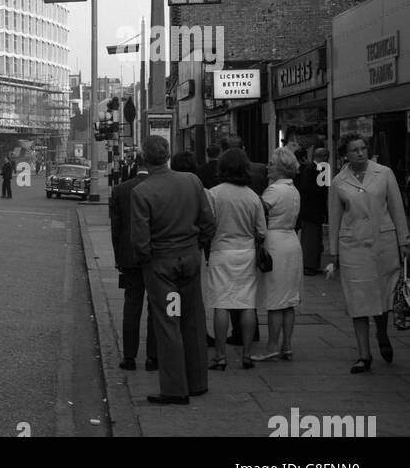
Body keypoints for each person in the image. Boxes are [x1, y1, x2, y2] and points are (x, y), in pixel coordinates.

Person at [129, 135, 214, 404]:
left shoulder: (142, 192)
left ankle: (175, 389)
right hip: (189, 258)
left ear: (144, 157)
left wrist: (149, 259)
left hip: (161, 266)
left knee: (168, 323)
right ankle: (198, 381)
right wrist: (196, 245)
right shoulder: (191, 181)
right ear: (167, 155)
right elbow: (209, 221)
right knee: (193, 318)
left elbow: (140, 240)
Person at [328, 131, 410, 373]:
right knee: (358, 301)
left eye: (363, 148)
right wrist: (335, 252)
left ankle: (382, 334)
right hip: (353, 247)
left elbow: (397, 208)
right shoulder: (338, 182)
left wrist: (403, 241)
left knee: (383, 297)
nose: (361, 153)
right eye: (355, 150)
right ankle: (364, 355)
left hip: (383, 244)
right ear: (345, 155)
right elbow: (334, 218)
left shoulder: (384, 173)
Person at [205, 147, 267, 371]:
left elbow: (207, 225)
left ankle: (220, 357)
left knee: (221, 303)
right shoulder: (252, 197)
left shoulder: (213, 194)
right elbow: (262, 231)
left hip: (221, 251)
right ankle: (247, 355)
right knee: (247, 303)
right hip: (246, 253)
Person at [109, 151, 158, 372]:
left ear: (135, 164)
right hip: (156, 257)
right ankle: (152, 358)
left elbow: (116, 230)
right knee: (155, 308)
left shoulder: (120, 190)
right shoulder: (161, 186)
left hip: (129, 257)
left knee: (131, 307)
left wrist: (118, 258)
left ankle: (129, 358)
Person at [256, 147, 303, 360]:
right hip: (292, 241)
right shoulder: (293, 190)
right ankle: (287, 345)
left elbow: (257, 212)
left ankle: (272, 346)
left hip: (275, 242)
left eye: (272, 164)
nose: (268, 167)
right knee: (289, 299)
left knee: (275, 299)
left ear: (282, 168)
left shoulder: (274, 190)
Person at [296, 145, 329, 274]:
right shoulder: (314, 169)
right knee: (311, 239)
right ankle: (309, 265)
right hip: (312, 211)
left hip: (312, 210)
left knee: (314, 238)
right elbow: (317, 191)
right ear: (325, 157)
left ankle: (312, 264)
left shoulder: (314, 169)